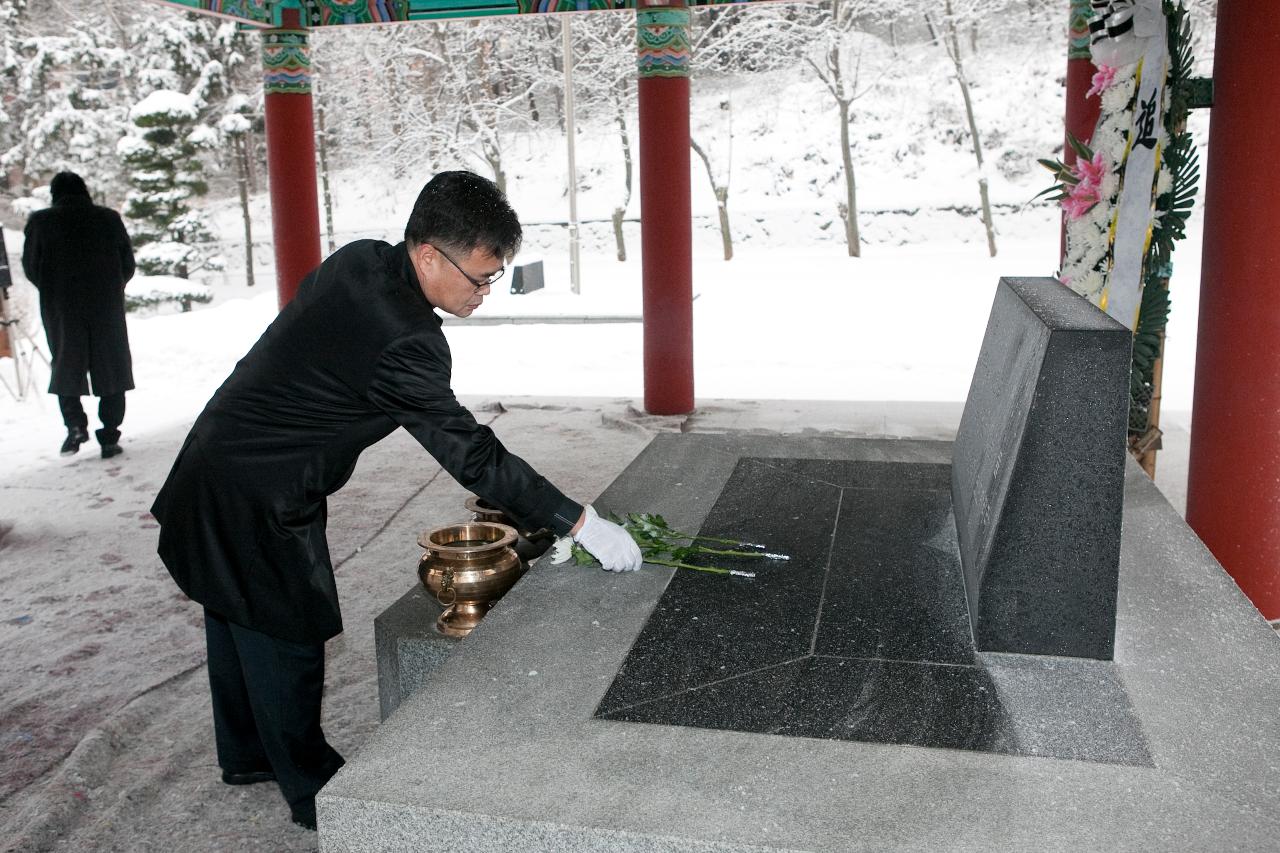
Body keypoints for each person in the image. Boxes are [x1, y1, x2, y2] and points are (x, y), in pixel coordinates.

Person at [150, 171, 643, 832]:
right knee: (285, 629)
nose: (484, 295)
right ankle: (313, 791)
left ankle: (248, 754)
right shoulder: (407, 339)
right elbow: (472, 453)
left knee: (232, 605)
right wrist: (576, 521)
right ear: (429, 255)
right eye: (480, 278)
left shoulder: (359, 259)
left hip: (219, 454)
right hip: (261, 492)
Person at [21, 171, 136, 459]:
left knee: (66, 365)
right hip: (105, 306)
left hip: (61, 306)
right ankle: (110, 435)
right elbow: (127, 263)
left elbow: (31, 266)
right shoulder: (108, 219)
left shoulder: (41, 222)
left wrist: (53, 289)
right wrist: (111, 286)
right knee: (111, 368)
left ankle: (75, 426)